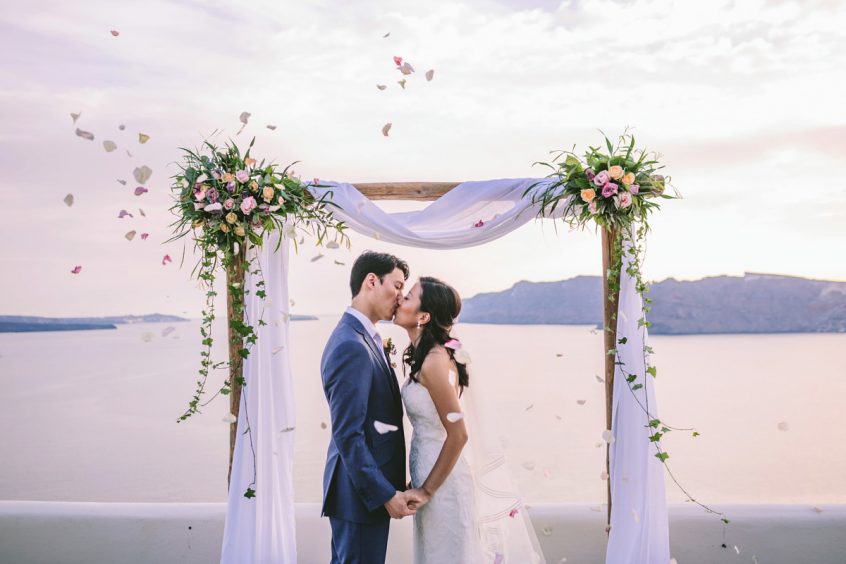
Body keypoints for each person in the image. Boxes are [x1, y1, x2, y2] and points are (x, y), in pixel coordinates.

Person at [320, 251, 423, 564]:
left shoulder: (365, 337)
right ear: (371, 281)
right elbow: (348, 434)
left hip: (363, 493)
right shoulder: (351, 345)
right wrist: (385, 494)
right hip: (359, 496)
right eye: (397, 285)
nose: (401, 296)